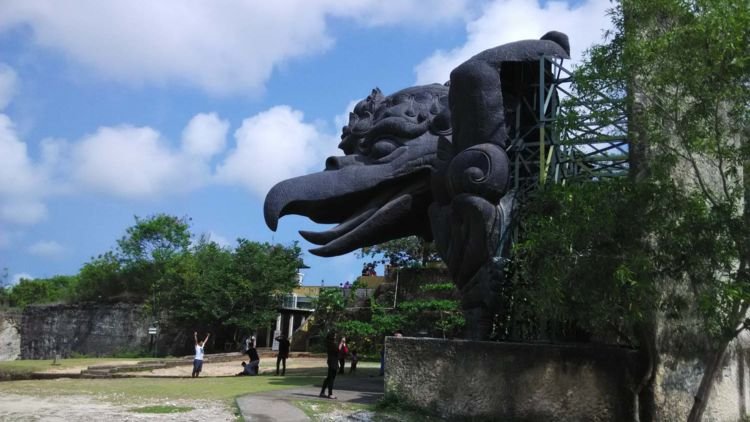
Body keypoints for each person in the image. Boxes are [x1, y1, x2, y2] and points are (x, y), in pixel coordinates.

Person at [319, 332, 338, 399]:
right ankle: (330, 394)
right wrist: (341, 343)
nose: (336, 336)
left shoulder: (331, 343)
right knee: (331, 378)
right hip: (333, 362)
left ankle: (322, 392)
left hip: (332, 361)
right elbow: (337, 350)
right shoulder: (331, 344)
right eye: (335, 335)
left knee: (329, 378)